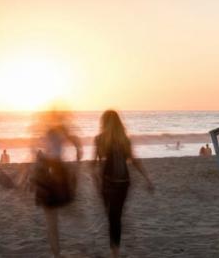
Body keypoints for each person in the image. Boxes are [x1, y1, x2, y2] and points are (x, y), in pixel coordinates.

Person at [94, 110, 154, 258]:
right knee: (116, 217)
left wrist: (94, 176)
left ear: (104, 123)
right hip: (123, 183)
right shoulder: (125, 140)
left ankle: (115, 253)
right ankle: (116, 252)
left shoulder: (99, 139)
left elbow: (96, 162)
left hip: (107, 183)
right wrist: (148, 178)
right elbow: (134, 161)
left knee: (111, 217)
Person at [30, 110, 82, 258]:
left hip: (48, 174)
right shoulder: (61, 130)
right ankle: (57, 253)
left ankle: (56, 254)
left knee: (51, 221)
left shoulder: (46, 131)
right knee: (56, 217)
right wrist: (78, 154)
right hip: (57, 172)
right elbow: (75, 141)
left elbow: (38, 153)